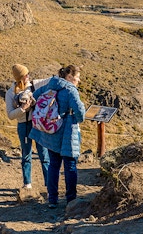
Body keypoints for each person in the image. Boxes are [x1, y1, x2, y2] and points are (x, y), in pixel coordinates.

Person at [29, 65, 86, 209]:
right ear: (69, 76)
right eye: (77, 77)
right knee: (70, 165)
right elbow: (79, 110)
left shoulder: (51, 84)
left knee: (54, 164)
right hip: (66, 131)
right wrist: (78, 119)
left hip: (52, 131)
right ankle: (71, 200)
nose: (79, 80)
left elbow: (34, 97)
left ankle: (52, 199)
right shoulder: (70, 90)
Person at [5, 64, 51, 191]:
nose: (28, 76)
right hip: (23, 125)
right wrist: (22, 109)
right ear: (20, 78)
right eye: (26, 75)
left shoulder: (34, 85)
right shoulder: (10, 93)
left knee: (44, 153)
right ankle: (27, 183)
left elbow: (49, 80)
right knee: (26, 154)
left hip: (37, 124)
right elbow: (10, 115)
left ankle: (49, 183)